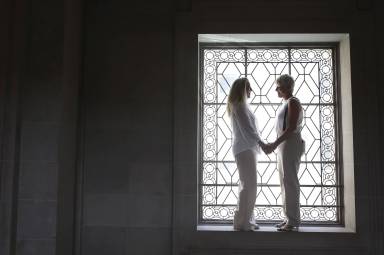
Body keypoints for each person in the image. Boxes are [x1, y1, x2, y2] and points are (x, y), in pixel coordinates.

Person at [264, 74, 305, 232]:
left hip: (291, 143)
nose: (276, 89)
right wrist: (276, 145)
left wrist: (274, 144)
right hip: (284, 145)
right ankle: (288, 217)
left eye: (279, 86)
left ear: (288, 87)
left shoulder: (293, 102)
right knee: (284, 181)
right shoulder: (285, 103)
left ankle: (293, 220)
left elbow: (291, 127)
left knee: (290, 181)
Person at [227, 77, 265, 231]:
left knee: (246, 185)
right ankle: (242, 222)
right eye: (249, 88)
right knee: (249, 186)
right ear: (242, 89)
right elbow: (248, 130)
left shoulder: (240, 106)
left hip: (245, 149)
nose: (251, 91)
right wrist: (263, 144)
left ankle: (244, 220)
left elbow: (250, 130)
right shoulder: (240, 106)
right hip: (244, 149)